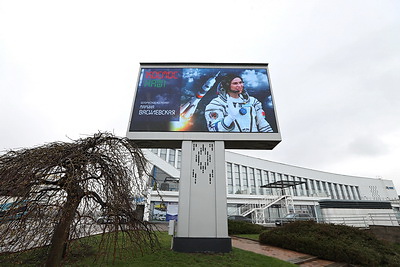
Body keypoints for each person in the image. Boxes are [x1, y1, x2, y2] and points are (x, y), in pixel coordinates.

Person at [204, 74, 273, 132]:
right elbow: (214, 129)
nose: (239, 85)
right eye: (235, 83)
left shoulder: (253, 101)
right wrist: (230, 118)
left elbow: (262, 123)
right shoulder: (216, 104)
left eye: (240, 82)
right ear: (227, 86)